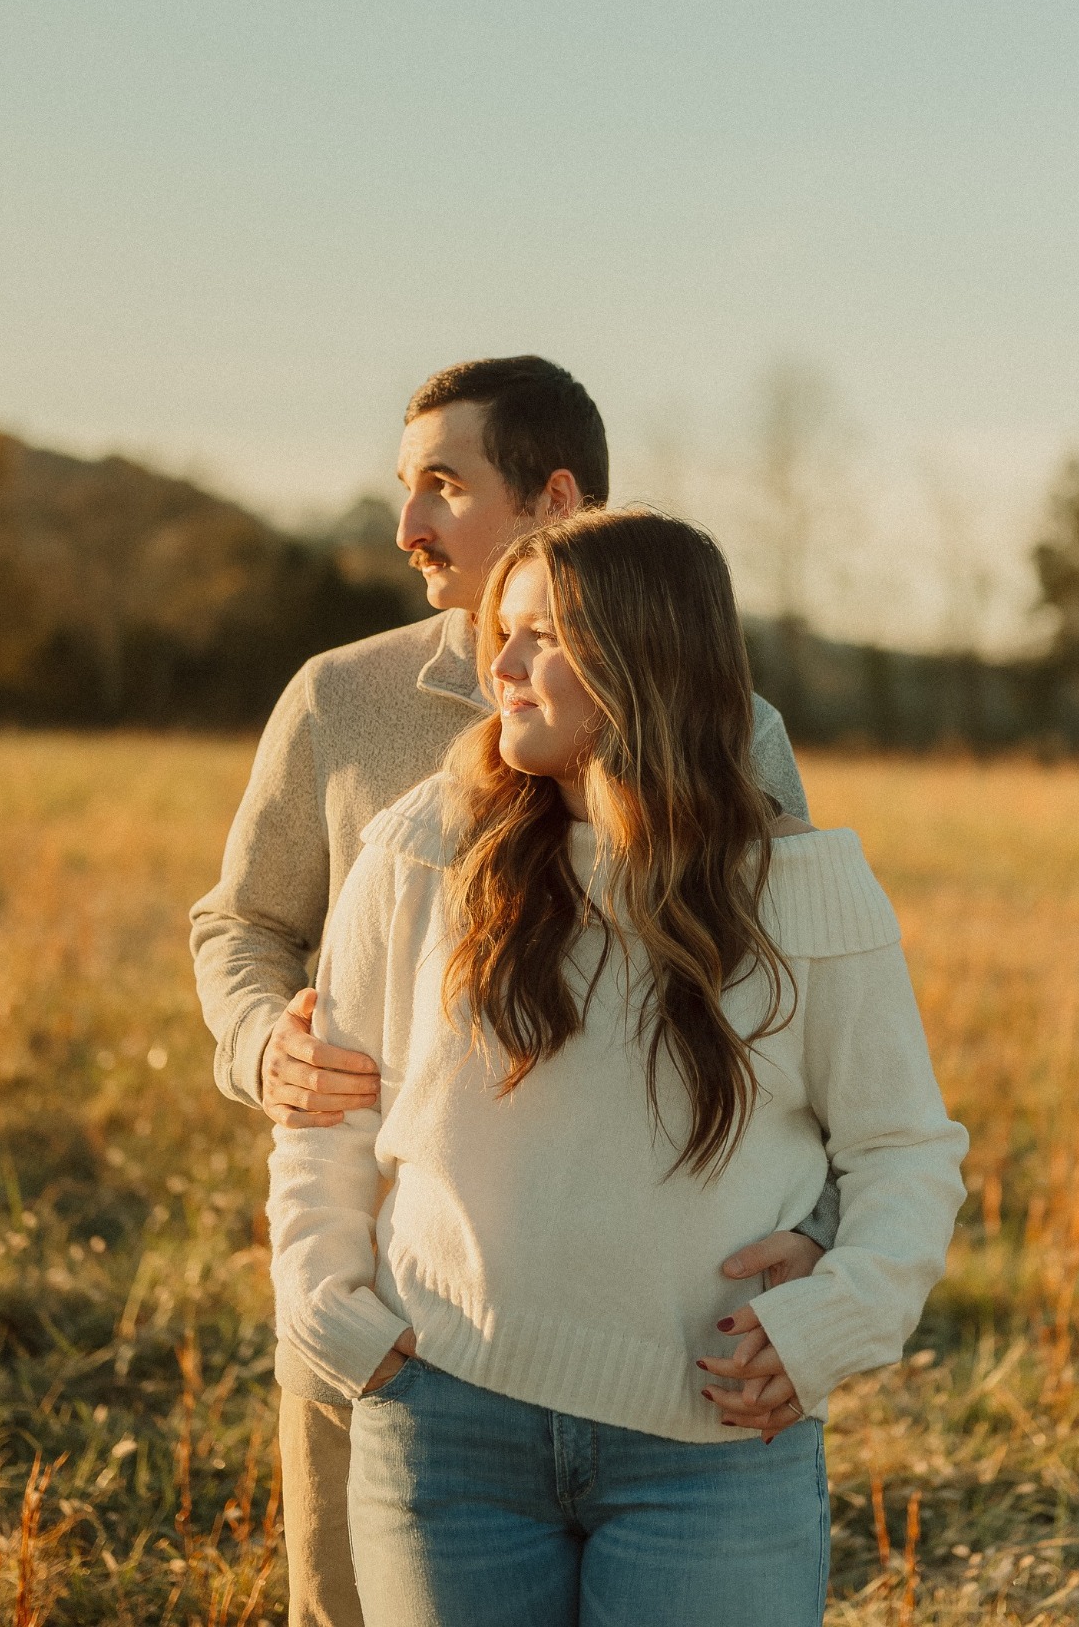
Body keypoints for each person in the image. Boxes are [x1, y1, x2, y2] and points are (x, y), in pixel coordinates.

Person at [190, 358, 836, 1627]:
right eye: (403, 487)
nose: (406, 526)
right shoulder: (337, 697)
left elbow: (786, 1009)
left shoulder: (732, 727)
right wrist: (264, 1041)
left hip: (651, 1345)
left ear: (552, 498)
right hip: (387, 1306)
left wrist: (816, 1233)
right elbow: (243, 923)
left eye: (442, 484)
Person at [269, 509, 968, 1627]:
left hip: (714, 1450)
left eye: (539, 635)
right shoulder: (420, 848)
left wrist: (832, 1323)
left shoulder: (803, 887)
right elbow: (331, 1112)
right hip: (445, 1427)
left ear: (647, 658)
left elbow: (904, 1151)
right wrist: (326, 1307)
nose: (497, 664)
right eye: (504, 630)